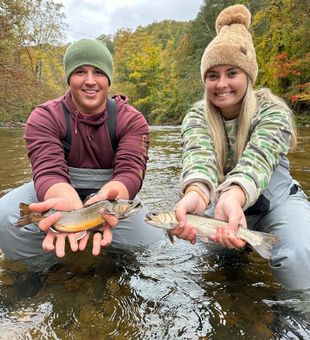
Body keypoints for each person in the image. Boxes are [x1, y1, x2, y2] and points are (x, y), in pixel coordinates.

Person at [170, 4, 310, 290]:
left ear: (248, 75)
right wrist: (195, 195)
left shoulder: (273, 111)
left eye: (232, 72)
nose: (221, 84)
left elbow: (258, 160)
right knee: (215, 267)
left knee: (297, 256)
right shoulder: (197, 116)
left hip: (277, 203)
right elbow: (199, 160)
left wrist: (233, 197)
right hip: (221, 208)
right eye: (212, 75)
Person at [0, 38, 163, 263]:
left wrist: (106, 199)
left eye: (98, 72)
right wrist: (66, 201)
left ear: (108, 78)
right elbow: (48, 171)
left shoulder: (132, 120)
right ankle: (40, 270)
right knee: (4, 215)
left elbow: (130, 173)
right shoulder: (44, 117)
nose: (90, 81)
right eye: (80, 72)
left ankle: (113, 268)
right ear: (69, 78)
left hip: (111, 197)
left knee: (154, 239)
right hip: (59, 192)